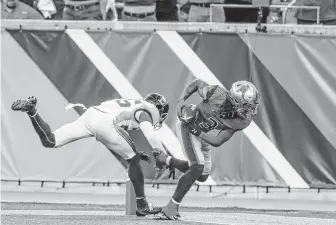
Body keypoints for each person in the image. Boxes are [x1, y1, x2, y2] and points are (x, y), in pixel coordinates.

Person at [11, 93, 169, 216]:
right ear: (158, 108)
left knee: (51, 141)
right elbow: (151, 136)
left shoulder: (135, 103)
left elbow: (118, 133)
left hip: (91, 114)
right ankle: (143, 206)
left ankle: (32, 112)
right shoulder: (150, 110)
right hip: (104, 120)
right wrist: (161, 156)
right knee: (133, 159)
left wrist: (135, 152)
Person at [153, 79, 260, 220]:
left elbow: (218, 140)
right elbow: (197, 84)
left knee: (202, 175)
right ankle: (171, 207)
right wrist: (181, 100)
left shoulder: (242, 121)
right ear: (235, 100)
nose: (249, 110)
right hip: (188, 125)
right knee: (197, 167)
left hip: (200, 132)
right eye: (246, 106)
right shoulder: (217, 94)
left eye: (251, 106)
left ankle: (165, 160)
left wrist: (198, 132)